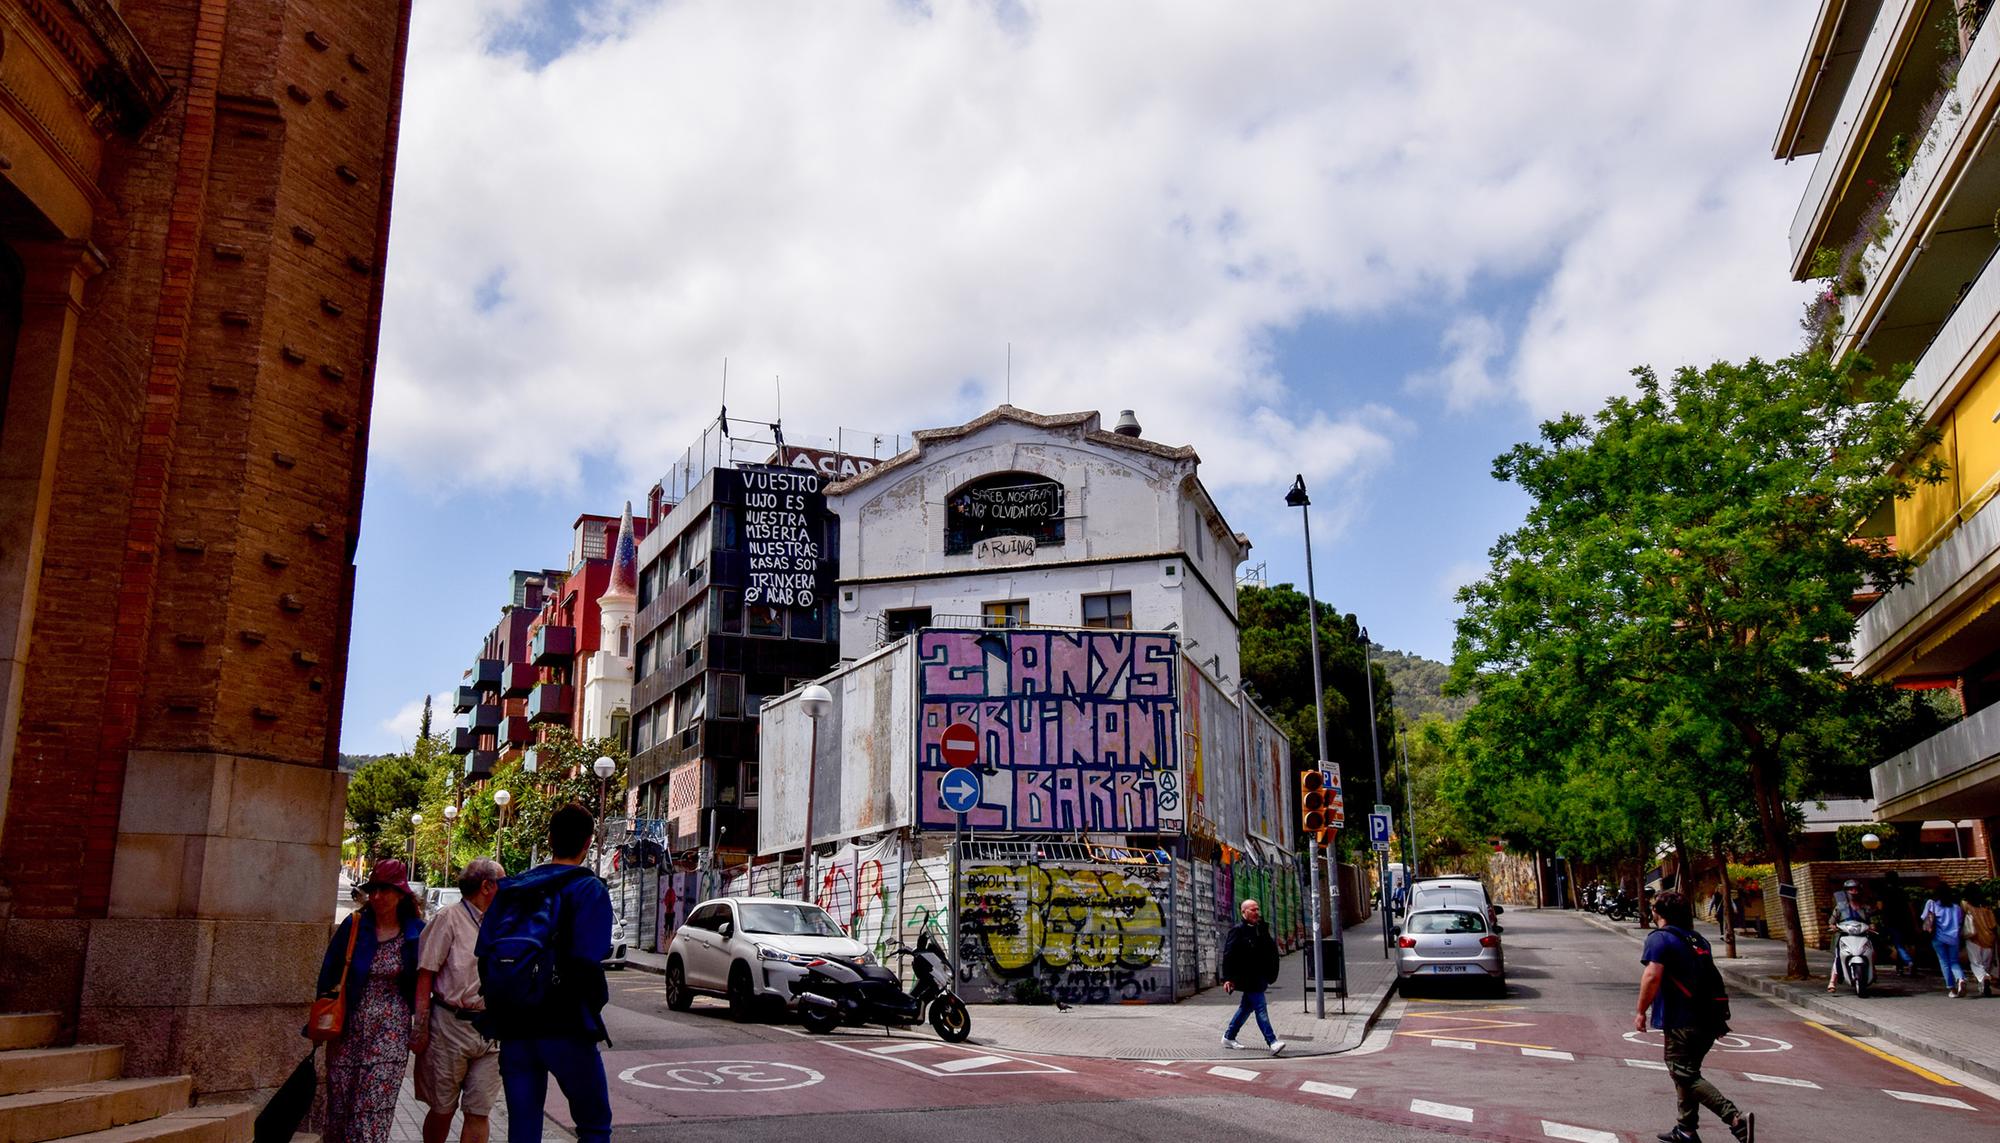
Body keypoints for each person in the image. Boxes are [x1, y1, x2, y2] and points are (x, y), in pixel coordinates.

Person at [480, 804, 614, 1143]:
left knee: (522, 1128)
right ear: (588, 843)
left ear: (550, 839)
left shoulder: (513, 889)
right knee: (594, 1124)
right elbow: (590, 956)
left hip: (514, 1027)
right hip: (565, 1025)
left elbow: (484, 953)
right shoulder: (588, 889)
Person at [318, 858, 425, 1143]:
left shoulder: (417, 933)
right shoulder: (354, 926)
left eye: (385, 890)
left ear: (401, 894)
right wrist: (321, 1020)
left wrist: (422, 1026)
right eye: (374, 890)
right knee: (340, 1109)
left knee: (372, 1109)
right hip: (347, 1027)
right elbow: (328, 975)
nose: (377, 897)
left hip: (390, 1031)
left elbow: (426, 983)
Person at [1636, 891, 1752, 1143]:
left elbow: (1652, 976)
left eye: (1654, 906)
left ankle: (1734, 1118)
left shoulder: (1659, 939)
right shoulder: (1698, 940)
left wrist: (1640, 1011)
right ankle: (1686, 1129)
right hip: (1709, 1020)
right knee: (1688, 1072)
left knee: (1681, 1071)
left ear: (1659, 913)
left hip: (1682, 1020)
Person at [415, 858, 506, 1143]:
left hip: (491, 1031)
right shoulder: (448, 919)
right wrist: (420, 1027)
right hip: (449, 1026)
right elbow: (425, 974)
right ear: (487, 886)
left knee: (479, 1110)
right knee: (443, 1108)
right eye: (502, 882)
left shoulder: (502, 922)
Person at [1219, 898, 1285, 1056]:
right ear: (1243, 912)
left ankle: (1229, 1037)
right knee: (1260, 1008)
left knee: (1245, 1009)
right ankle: (1272, 1041)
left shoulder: (1260, 929)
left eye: (1257, 909)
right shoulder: (1237, 931)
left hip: (1260, 976)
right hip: (1247, 978)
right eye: (1253, 910)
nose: (1257, 913)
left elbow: (1269, 950)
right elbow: (1228, 955)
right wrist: (1227, 978)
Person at [1920, 884, 1967, 997]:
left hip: (1938, 938)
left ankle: (1952, 989)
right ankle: (1960, 978)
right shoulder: (1956, 908)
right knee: (1954, 961)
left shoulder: (1933, 904)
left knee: (1944, 962)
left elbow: (1924, 918)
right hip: (1954, 938)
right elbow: (1960, 922)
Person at [1827, 879, 1873, 992]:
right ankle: (1832, 981)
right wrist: (1833, 927)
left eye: (1856, 889)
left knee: (1872, 950)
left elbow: (1870, 921)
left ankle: (1873, 971)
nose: (1854, 891)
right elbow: (1831, 921)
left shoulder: (1865, 907)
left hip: (1861, 935)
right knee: (1838, 956)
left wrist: (1872, 925)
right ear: (1846, 892)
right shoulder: (1840, 907)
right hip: (1844, 935)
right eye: (1851, 889)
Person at [1878, 871, 1918, 975]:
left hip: (1891, 921)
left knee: (1897, 944)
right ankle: (1899, 967)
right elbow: (1911, 907)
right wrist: (1914, 922)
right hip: (1905, 921)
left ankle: (1909, 961)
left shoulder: (1883, 892)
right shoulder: (1902, 891)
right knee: (1903, 944)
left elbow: (1880, 907)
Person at [1961, 885, 1996, 998]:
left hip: (1974, 938)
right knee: (1986, 964)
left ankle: (1984, 978)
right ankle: (1983, 986)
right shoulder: (1987, 908)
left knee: (1976, 963)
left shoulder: (1967, 906)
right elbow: (1993, 925)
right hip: (1989, 939)